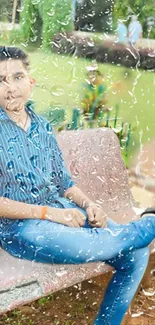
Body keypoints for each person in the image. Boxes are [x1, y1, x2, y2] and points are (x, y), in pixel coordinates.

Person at [0, 46, 155, 325]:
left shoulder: (43, 127)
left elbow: (64, 182)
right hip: (23, 229)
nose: (10, 88)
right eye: (1, 80)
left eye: (17, 77)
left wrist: (89, 204)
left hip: (67, 214)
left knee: (136, 255)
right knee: (133, 241)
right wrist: (50, 214)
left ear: (30, 81)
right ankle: (149, 224)